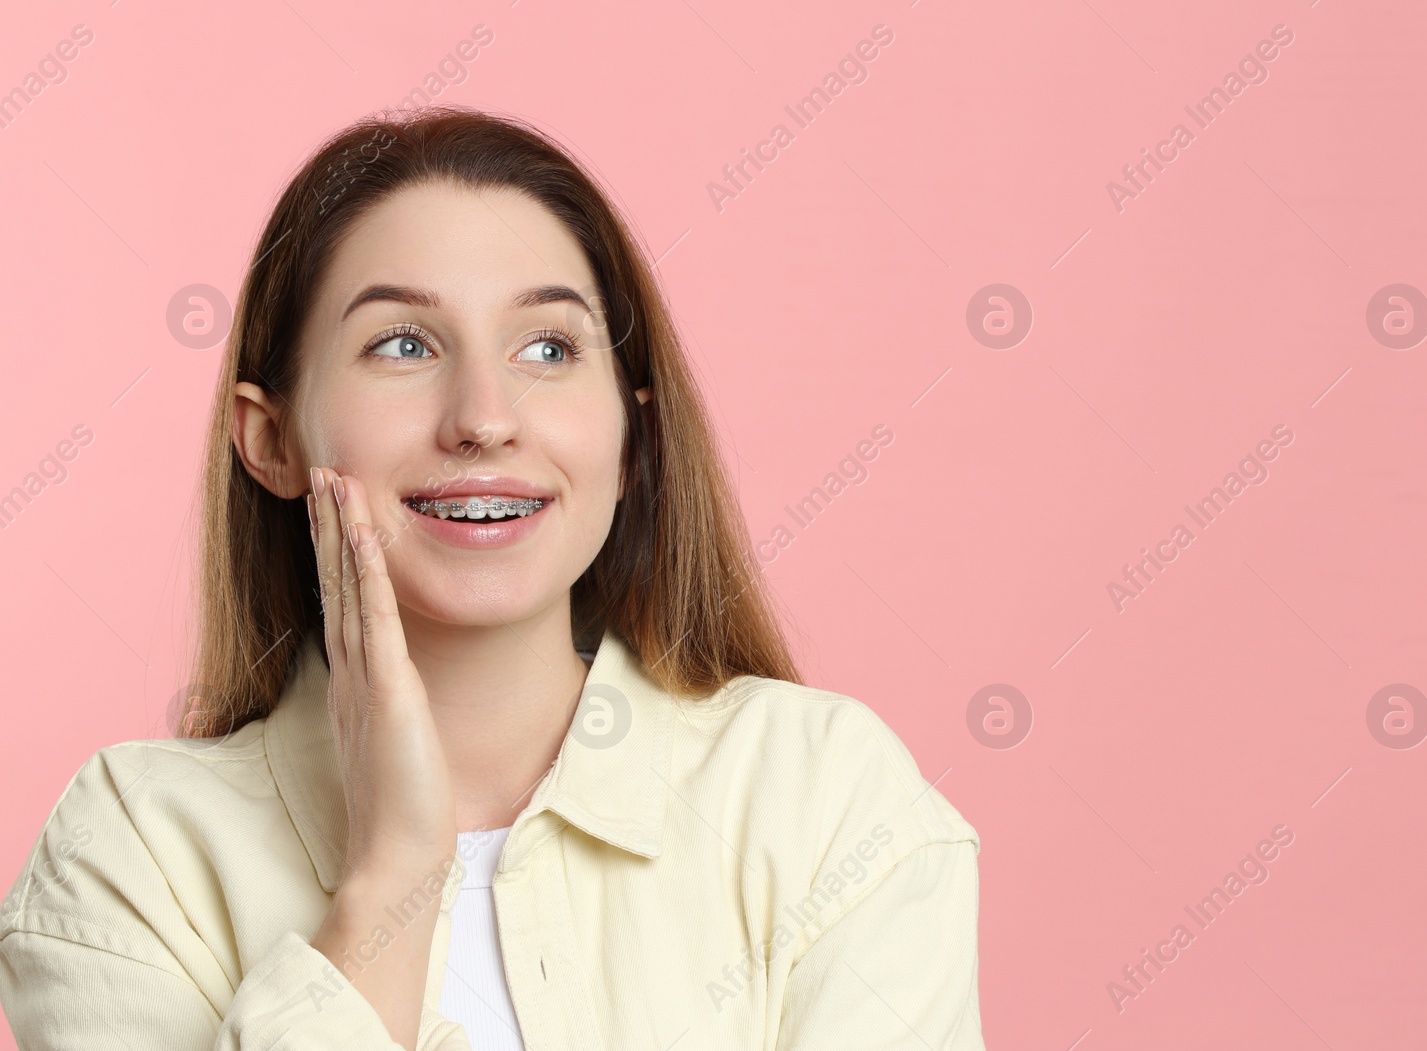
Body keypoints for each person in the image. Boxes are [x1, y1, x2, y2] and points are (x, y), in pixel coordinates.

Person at [0, 105, 983, 1050]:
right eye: (401, 344)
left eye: (547, 347)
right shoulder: (136, 851)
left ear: (633, 431)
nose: (484, 414)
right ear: (271, 439)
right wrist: (392, 877)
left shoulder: (823, 797)